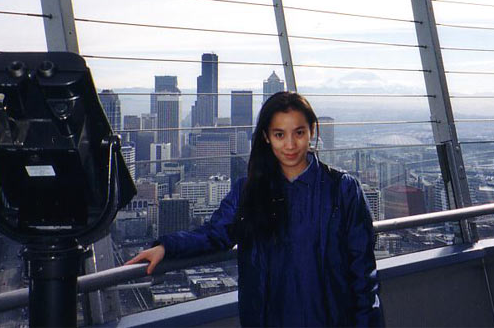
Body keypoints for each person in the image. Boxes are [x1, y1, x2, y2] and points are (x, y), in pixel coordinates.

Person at [126, 91, 382, 327]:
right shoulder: (249, 190)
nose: (290, 145)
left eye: (299, 133)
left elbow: (363, 275)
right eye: (280, 134)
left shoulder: (343, 190)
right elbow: (215, 233)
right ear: (266, 137)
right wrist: (167, 247)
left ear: (313, 131)